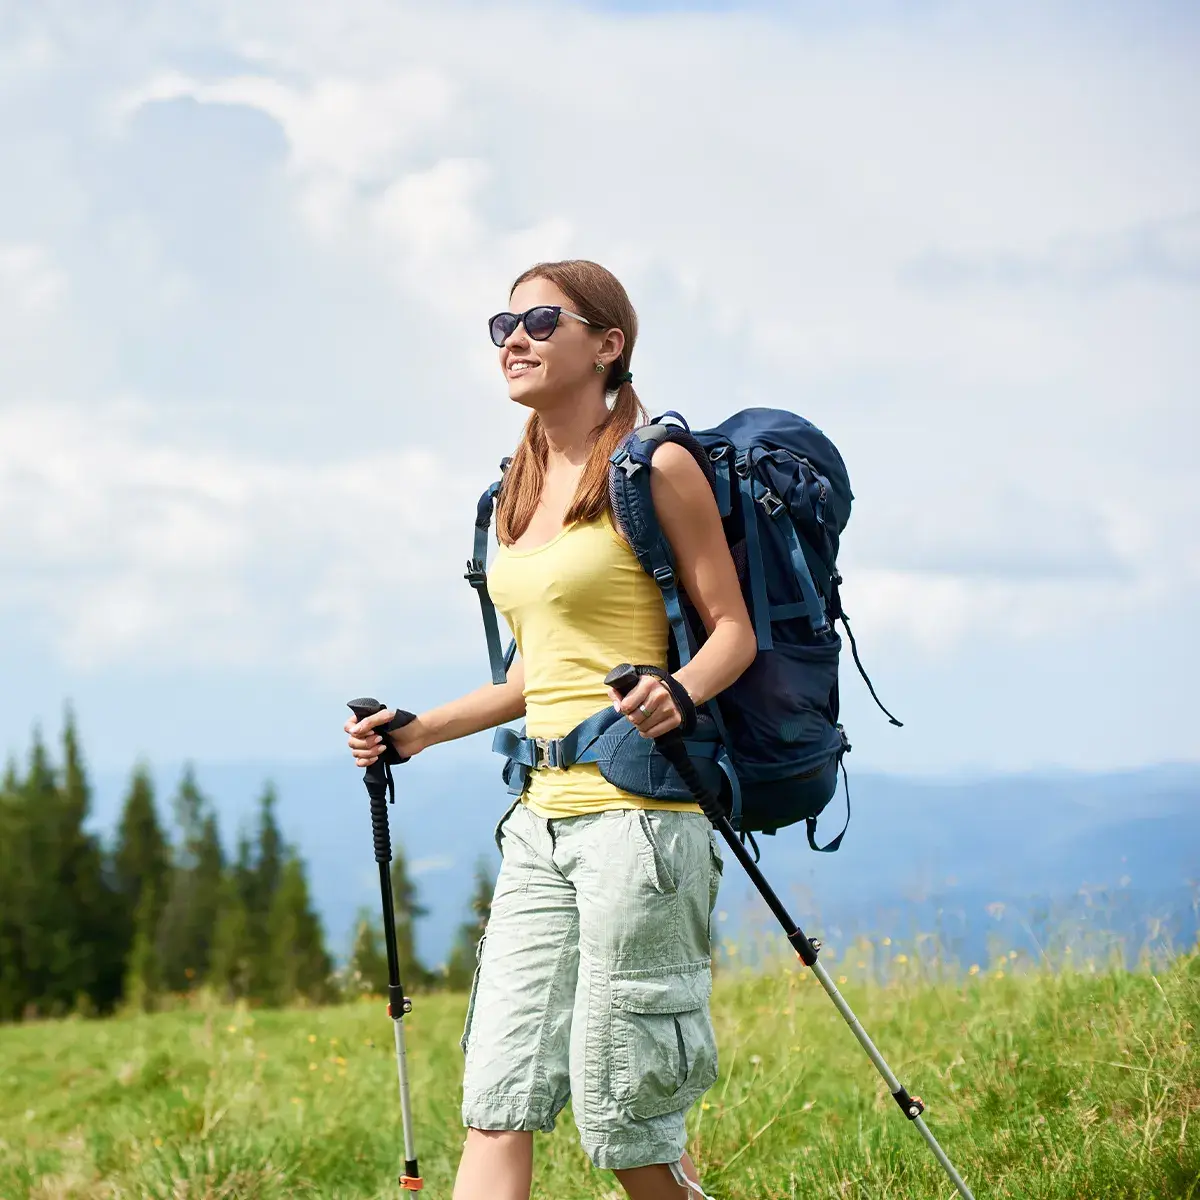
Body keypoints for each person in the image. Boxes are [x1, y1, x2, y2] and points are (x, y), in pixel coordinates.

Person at [345, 259, 756, 1200]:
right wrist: (418, 730)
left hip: (642, 823)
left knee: (627, 1121)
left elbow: (733, 631)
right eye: (503, 324)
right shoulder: (514, 492)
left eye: (541, 320)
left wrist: (678, 694)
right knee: (498, 1092)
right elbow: (538, 673)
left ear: (608, 345)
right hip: (540, 819)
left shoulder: (655, 468)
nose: (514, 339)